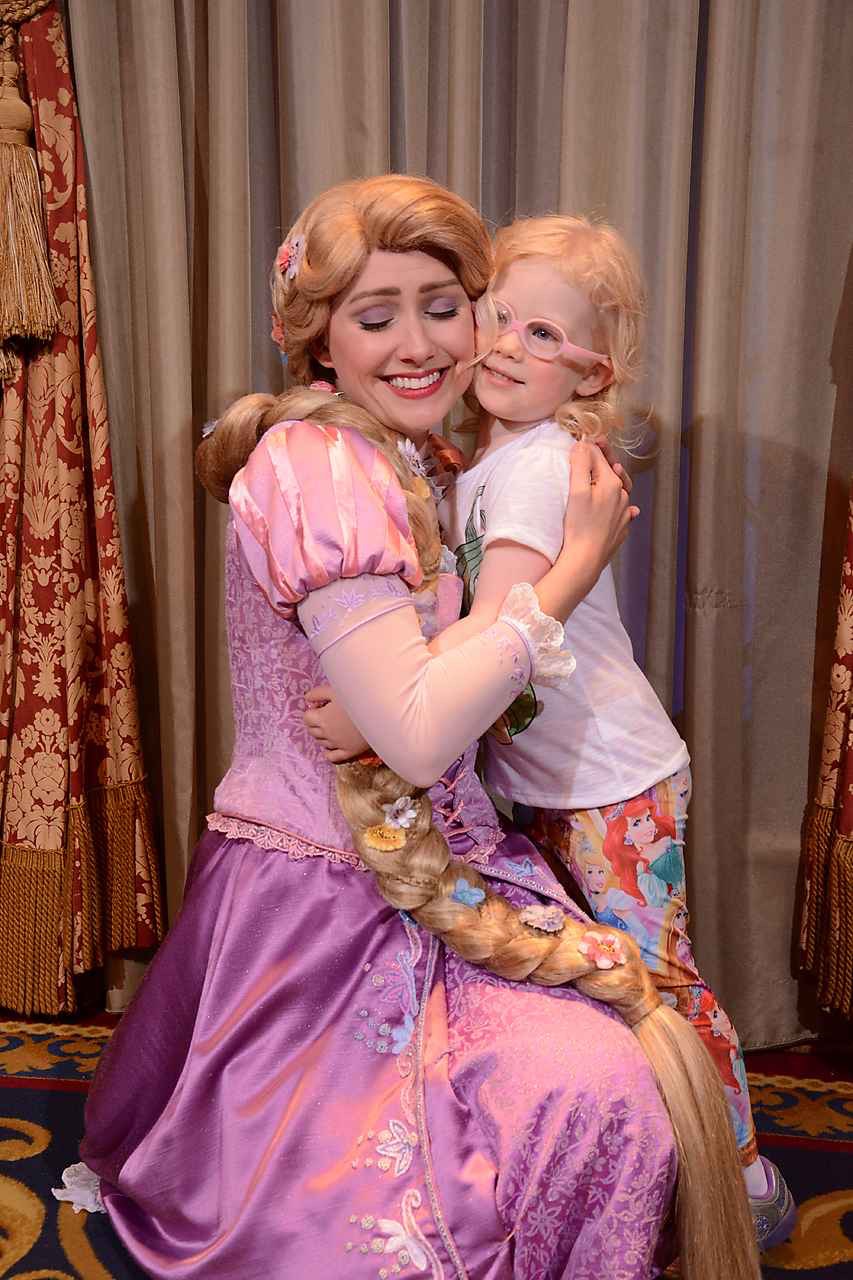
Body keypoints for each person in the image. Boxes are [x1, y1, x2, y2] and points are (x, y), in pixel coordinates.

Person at [51, 176, 724, 1279]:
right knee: (591, 1096)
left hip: (438, 864)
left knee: (617, 1078)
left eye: (443, 307)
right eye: (376, 317)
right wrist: (569, 575)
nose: (419, 345)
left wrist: (399, 689)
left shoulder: (415, 456)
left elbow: (418, 704)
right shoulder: (319, 469)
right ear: (318, 337)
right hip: (327, 905)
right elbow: (415, 737)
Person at [417, 212, 793, 1251]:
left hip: (612, 783)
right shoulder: (491, 459)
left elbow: (493, 630)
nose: (505, 344)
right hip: (549, 779)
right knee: (593, 983)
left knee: (653, 979)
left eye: (542, 335)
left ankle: (747, 1178)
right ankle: (650, 1165)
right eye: (497, 315)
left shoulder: (542, 466)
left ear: (593, 372)